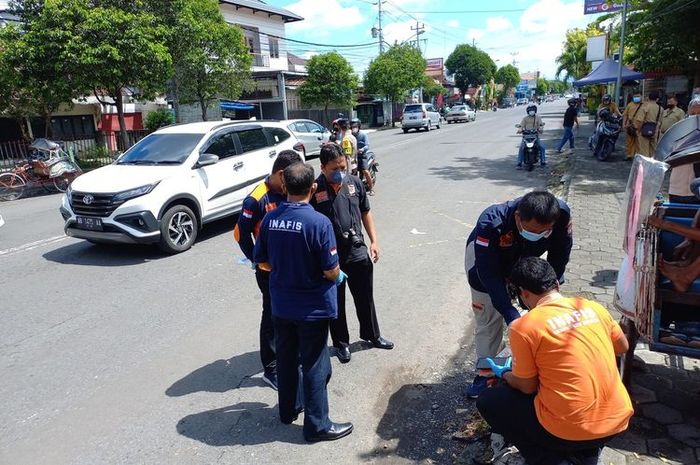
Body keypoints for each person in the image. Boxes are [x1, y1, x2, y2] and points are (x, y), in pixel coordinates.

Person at [476, 257, 633, 465]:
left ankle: (551, 459)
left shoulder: (524, 326)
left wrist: (504, 373)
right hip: (617, 421)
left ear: (523, 294)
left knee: (489, 401)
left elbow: (527, 386)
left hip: (567, 430)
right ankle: (586, 453)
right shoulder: (592, 307)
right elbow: (622, 347)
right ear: (556, 284)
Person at [253, 162, 353, 442]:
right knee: (315, 364)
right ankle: (317, 425)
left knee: (286, 359)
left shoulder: (271, 219)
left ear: (284, 187)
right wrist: (335, 276)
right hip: (312, 308)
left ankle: (288, 410)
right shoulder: (319, 223)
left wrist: (286, 268)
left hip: (282, 305)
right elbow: (331, 270)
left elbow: (260, 260)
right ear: (313, 188)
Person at [463, 191, 573, 398]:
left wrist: (548, 288)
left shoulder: (561, 215)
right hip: (485, 263)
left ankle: (530, 368)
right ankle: (485, 373)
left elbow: (560, 254)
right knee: (488, 317)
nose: (538, 234)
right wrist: (509, 313)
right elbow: (489, 273)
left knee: (541, 311)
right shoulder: (491, 222)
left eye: (544, 231)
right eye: (531, 230)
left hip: (525, 257)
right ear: (517, 217)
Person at [310, 143, 393, 363]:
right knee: (336, 302)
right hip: (330, 257)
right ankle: (341, 343)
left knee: (365, 296)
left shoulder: (354, 182)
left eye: (342, 166)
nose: (339, 171)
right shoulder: (314, 189)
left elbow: (366, 212)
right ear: (322, 167)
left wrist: (374, 241)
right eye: (334, 168)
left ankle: (372, 335)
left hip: (357, 250)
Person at [233, 150, 303, 390]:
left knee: (292, 313)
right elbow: (240, 234)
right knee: (272, 316)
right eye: (292, 177)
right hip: (269, 271)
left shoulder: (289, 190)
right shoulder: (257, 198)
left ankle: (293, 356)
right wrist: (257, 260)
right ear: (281, 174)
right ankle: (271, 368)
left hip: (293, 267)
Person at [516, 104, 546, 168]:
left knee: (542, 147)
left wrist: (540, 129)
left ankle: (543, 161)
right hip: (526, 136)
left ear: (535, 111)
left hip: (535, 136)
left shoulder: (538, 118)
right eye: (530, 111)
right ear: (528, 111)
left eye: (533, 110)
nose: (531, 112)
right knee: (521, 148)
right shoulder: (525, 118)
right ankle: (519, 163)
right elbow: (521, 125)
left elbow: (541, 125)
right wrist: (520, 130)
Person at [351, 118, 374, 195]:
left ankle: (371, 189)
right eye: (352, 126)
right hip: (353, 156)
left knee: (365, 171)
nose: (353, 128)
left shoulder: (363, 135)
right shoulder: (350, 136)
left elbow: (367, 145)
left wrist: (362, 149)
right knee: (351, 172)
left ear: (359, 126)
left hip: (362, 156)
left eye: (355, 126)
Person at [638, 90, 664, 157]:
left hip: (644, 130)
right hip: (655, 131)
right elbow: (660, 122)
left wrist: (638, 130)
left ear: (648, 98)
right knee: (653, 151)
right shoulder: (661, 109)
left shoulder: (645, 107)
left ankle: (645, 166)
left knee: (644, 152)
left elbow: (640, 120)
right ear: (657, 99)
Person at [622, 90, 644, 160]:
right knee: (629, 142)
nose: (636, 98)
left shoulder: (645, 105)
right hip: (630, 126)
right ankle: (629, 155)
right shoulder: (630, 104)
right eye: (635, 97)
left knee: (639, 142)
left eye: (638, 96)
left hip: (640, 126)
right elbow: (625, 115)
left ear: (641, 96)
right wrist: (624, 124)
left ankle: (638, 156)